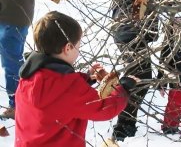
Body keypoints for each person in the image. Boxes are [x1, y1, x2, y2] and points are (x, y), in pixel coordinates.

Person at [15, 11, 137, 146]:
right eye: (78, 46)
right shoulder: (70, 88)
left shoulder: (28, 78)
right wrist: (123, 88)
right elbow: (103, 109)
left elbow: (59, 99)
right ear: (68, 48)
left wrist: (85, 79)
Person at [111, 0, 161, 141]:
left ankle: (126, 124)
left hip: (135, 31)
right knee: (139, 78)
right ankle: (123, 125)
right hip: (130, 31)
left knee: (139, 77)